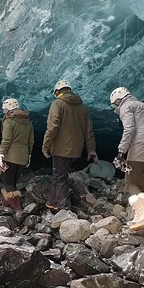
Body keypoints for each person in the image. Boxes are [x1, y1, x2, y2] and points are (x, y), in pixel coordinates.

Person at [109, 87, 144, 231]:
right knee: (142, 182)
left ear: (117, 100)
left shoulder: (126, 107)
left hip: (141, 147)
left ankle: (143, 214)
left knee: (130, 183)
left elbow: (130, 129)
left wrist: (121, 151)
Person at [42, 80, 97, 211]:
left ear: (57, 92)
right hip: (76, 149)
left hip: (61, 148)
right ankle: (53, 202)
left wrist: (46, 146)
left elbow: (52, 127)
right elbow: (89, 131)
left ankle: (64, 207)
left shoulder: (58, 104)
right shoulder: (83, 107)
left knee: (59, 177)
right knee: (60, 175)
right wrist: (91, 150)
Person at [0, 98, 34, 211]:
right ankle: (7, 204)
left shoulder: (9, 122)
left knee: (7, 181)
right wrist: (29, 155)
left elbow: (6, 140)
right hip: (23, 157)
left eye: (5, 110)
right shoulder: (28, 123)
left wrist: (0, 154)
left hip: (9, 156)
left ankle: (16, 208)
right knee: (13, 182)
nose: (4, 112)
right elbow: (31, 141)